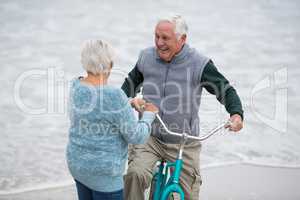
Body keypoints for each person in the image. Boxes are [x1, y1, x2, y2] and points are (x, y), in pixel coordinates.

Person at [121, 15, 244, 200]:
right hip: (149, 136)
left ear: (182, 39)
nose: (159, 43)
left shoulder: (199, 64)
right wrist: (122, 102)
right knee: (134, 175)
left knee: (187, 195)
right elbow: (128, 87)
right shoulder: (146, 57)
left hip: (184, 141)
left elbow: (225, 90)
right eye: (156, 36)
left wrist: (236, 114)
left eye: (165, 38)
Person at [66, 39, 158, 200]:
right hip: (104, 174)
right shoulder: (114, 96)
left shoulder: (76, 85)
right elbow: (137, 137)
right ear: (109, 65)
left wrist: (127, 103)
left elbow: (93, 112)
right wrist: (149, 115)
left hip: (78, 165)